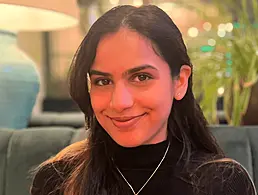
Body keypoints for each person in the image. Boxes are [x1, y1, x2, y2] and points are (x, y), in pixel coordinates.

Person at [30, 5, 256, 195]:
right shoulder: (57, 180)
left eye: (141, 77)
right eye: (102, 81)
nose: (119, 102)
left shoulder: (223, 183)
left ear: (179, 82)